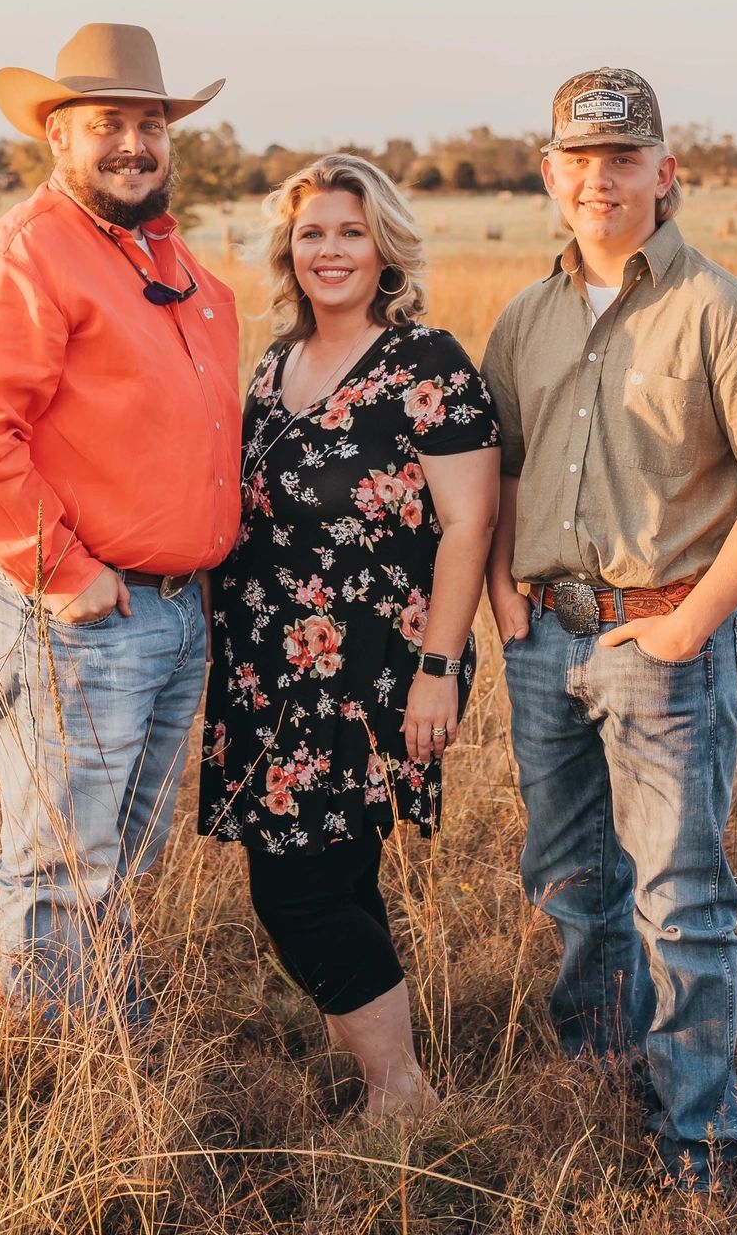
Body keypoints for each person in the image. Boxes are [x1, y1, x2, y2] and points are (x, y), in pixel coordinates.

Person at [481, 68, 737, 1193]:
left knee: (678, 898)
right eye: (577, 160)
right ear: (548, 176)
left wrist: (689, 629)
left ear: (664, 173)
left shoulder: (721, 310)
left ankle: (700, 1143)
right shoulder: (524, 318)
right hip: (544, 643)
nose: (599, 179)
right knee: (570, 877)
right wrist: (503, 600)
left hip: (661, 640)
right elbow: (507, 468)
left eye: (622, 158)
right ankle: (598, 1076)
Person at [0, 22, 240, 1018]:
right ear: (58, 135)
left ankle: (112, 1044)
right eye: (108, 123)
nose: (133, 143)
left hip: (174, 612)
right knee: (64, 862)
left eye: (150, 122)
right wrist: (68, 574)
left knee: (117, 854)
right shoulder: (25, 256)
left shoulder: (173, 265)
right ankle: (66, 1092)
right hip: (81, 609)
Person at [197, 154, 500, 1117]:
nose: (330, 250)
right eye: (313, 232)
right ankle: (392, 1078)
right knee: (335, 871)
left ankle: (402, 1093)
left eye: (352, 231)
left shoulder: (427, 364)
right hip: (263, 672)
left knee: (299, 893)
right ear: (289, 249)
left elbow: (469, 525)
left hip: (367, 672)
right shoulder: (272, 366)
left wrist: (438, 671)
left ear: (387, 250)